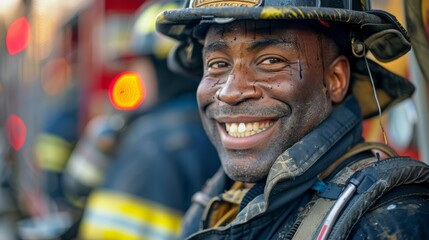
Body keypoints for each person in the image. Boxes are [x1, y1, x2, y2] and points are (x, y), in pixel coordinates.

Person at [155, 0, 429, 239]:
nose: (230, 93)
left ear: (335, 80)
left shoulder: (389, 219)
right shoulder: (213, 204)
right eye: (217, 64)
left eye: (271, 60)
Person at [72, 0, 220, 239]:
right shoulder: (221, 128)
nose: (134, 75)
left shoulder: (153, 142)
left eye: (138, 65)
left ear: (167, 66)